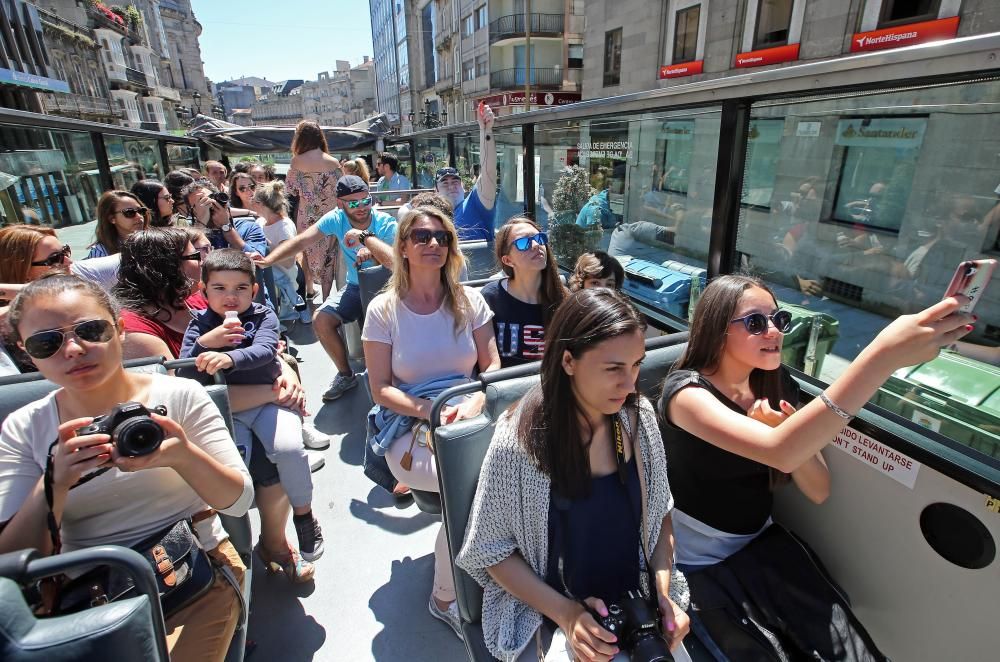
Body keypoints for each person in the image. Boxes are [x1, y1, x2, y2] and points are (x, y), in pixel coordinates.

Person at [657, 274, 973, 660]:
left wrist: (782, 431)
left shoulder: (775, 383)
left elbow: (818, 488)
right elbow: (781, 452)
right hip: (697, 558)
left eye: (779, 319)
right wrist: (883, 356)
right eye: (756, 323)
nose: (774, 331)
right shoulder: (687, 394)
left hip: (759, 541)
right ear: (717, 331)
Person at [0, 274, 253, 661]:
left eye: (90, 330)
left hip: (196, 565)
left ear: (118, 329)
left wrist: (183, 456)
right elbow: (13, 559)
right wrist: (55, 482)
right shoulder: (24, 428)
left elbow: (237, 501)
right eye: (46, 342)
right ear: (25, 353)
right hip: (89, 588)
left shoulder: (181, 395)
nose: (73, 349)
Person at [457, 289, 690, 661]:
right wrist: (566, 615)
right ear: (568, 361)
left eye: (636, 366)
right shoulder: (518, 442)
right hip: (550, 612)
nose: (631, 385)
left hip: (636, 602)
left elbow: (660, 515)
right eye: (614, 368)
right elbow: (490, 551)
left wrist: (662, 595)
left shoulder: (639, 420)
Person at [362, 204, 500, 639]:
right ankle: (444, 596)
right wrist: (430, 410)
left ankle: (499, 569)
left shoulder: (469, 301)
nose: (433, 244)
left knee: (512, 471)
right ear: (402, 246)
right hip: (409, 424)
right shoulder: (383, 311)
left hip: (469, 411)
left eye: (441, 238)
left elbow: (491, 365)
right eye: (421, 237)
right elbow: (380, 388)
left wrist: (477, 399)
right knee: (473, 487)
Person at [178, 250, 323, 563]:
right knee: (235, 469)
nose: (230, 297)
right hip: (228, 412)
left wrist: (230, 357)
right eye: (219, 288)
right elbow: (183, 373)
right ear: (203, 292)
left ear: (253, 291)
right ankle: (236, 543)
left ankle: (304, 515)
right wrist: (206, 344)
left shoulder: (262, 316)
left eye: (240, 288)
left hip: (269, 401)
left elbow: (265, 349)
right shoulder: (200, 328)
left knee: (288, 449)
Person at [254, 175, 397, 402]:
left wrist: (369, 244)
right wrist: (268, 260)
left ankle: (391, 378)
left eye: (365, 201)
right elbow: (302, 241)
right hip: (355, 287)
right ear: (340, 204)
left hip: (388, 289)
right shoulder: (335, 219)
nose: (361, 208)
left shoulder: (385, 223)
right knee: (321, 319)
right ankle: (346, 374)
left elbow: (395, 262)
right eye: (353, 203)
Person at [0, 225, 119, 373]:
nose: (68, 262)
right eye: (55, 259)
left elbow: (136, 256)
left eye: (66, 251)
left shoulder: (79, 277)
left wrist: (36, 293)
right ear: (22, 271)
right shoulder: (5, 324)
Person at [482, 218, 567, 368]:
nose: (536, 245)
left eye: (539, 238)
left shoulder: (563, 297)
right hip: (505, 387)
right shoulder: (491, 297)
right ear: (508, 260)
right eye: (523, 243)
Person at [286, 120, 342, 301]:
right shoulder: (334, 163)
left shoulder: (296, 162)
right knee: (329, 257)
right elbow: (340, 190)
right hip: (330, 217)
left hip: (307, 218)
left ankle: (309, 290)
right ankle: (327, 298)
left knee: (306, 254)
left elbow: (291, 190)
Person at [435, 103, 497, 241]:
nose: (451, 186)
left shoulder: (476, 203)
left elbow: (489, 172)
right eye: (445, 183)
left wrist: (485, 130)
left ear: (463, 186)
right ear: (436, 191)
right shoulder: (433, 217)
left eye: (455, 182)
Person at [250, 180, 308, 324]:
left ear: (261, 204)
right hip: (268, 275)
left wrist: (267, 245)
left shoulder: (284, 227)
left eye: (254, 200)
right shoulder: (260, 223)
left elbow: (288, 262)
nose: (251, 203)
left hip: (286, 277)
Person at [181, 179, 268, 257]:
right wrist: (201, 223)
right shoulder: (186, 231)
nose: (207, 205)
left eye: (209, 199)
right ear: (191, 210)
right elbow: (189, 259)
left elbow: (257, 260)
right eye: (199, 203)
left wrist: (226, 227)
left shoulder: (248, 227)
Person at [85, 190, 149, 259]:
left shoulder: (155, 240)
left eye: (141, 211)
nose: (139, 216)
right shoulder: (101, 253)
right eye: (129, 212)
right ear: (112, 218)